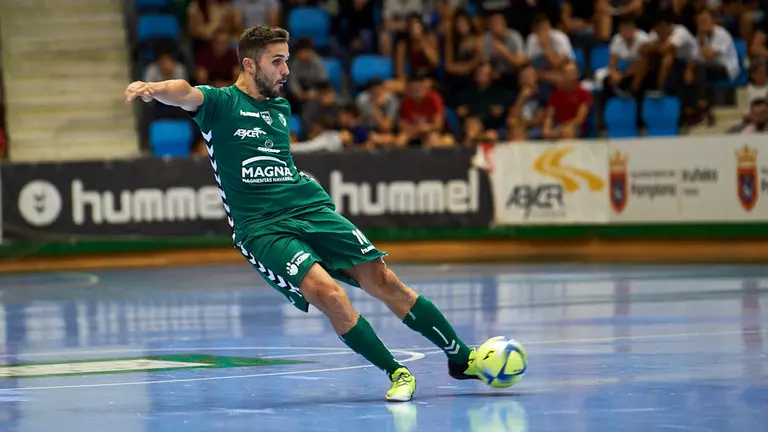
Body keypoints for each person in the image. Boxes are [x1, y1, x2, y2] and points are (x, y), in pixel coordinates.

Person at [124, 25, 482, 402]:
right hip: (262, 228)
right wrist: (153, 89)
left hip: (308, 205)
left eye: (287, 60)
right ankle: (397, 372)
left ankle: (461, 357)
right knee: (327, 292)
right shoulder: (220, 104)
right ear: (249, 64)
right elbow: (185, 92)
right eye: (276, 61)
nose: (285, 70)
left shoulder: (280, 108)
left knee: (383, 279)